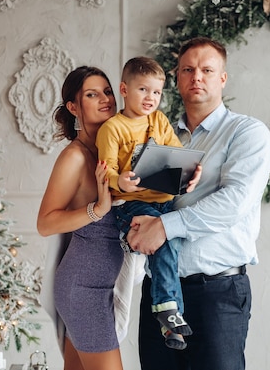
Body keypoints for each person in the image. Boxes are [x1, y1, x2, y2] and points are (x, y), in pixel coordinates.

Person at [128, 37, 270, 370]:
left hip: (217, 294)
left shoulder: (247, 133)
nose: (197, 77)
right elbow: (141, 197)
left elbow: (234, 201)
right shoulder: (155, 134)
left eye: (207, 70)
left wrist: (164, 228)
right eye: (188, 70)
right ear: (177, 78)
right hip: (159, 294)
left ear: (222, 78)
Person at [96, 56, 201, 351]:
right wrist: (121, 182)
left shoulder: (159, 120)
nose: (150, 98)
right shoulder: (113, 128)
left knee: (172, 245)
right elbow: (106, 173)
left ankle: (170, 318)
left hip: (164, 202)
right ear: (124, 89)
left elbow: (179, 157)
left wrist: (192, 174)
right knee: (164, 240)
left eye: (156, 92)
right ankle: (168, 312)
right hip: (131, 204)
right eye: (143, 90)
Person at [37, 66, 136, 370]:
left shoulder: (112, 152)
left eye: (107, 91)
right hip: (83, 290)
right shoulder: (75, 157)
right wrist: (98, 211)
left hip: (102, 286)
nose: (105, 99)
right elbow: (46, 223)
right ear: (73, 107)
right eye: (92, 94)